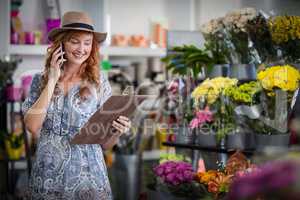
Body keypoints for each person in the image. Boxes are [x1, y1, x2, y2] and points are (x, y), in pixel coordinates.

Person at [22, 11, 131, 199]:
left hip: (89, 177)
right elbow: (32, 127)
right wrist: (52, 80)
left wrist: (117, 130)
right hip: (48, 176)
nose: (82, 48)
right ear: (61, 43)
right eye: (74, 41)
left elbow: (105, 144)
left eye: (87, 42)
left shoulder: (99, 83)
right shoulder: (39, 80)